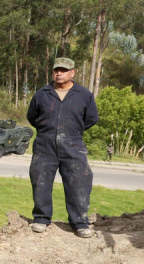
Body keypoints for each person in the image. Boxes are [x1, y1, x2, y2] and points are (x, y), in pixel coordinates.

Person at [26, 57, 98, 238]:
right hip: (45, 144)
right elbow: (32, 116)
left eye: (64, 70)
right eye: (56, 70)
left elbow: (91, 118)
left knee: (79, 183)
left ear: (72, 73)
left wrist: (73, 131)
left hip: (73, 144)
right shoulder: (42, 93)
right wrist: (47, 130)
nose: (59, 73)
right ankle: (41, 219)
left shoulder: (83, 95)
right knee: (40, 182)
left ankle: (80, 222)